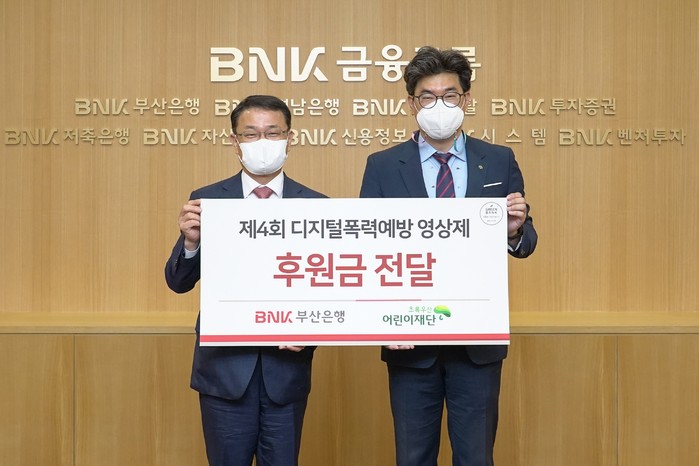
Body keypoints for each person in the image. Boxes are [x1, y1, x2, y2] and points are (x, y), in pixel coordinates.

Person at [359, 46, 537, 466]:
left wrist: (514, 230)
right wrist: (382, 319)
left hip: (477, 341)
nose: (439, 105)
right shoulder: (382, 165)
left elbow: (526, 241)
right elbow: (367, 247)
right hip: (409, 339)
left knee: (475, 456)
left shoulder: (499, 159)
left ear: (466, 99)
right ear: (412, 104)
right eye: (427, 96)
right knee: (413, 456)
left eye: (449, 95)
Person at [164, 95, 326, 466]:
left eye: (273, 133)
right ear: (234, 141)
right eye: (251, 134)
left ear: (290, 138)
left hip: (286, 373)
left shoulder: (317, 206)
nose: (262, 142)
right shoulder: (207, 200)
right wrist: (191, 243)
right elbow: (178, 282)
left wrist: (310, 331)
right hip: (224, 373)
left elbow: (328, 290)